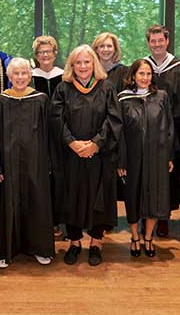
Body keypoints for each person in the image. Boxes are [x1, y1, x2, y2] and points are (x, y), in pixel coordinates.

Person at [51, 44, 122, 266]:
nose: (83, 66)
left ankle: (96, 242)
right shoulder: (63, 88)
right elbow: (55, 119)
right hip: (71, 155)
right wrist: (71, 142)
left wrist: (96, 144)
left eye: (87, 62)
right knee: (72, 196)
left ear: (94, 63)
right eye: (78, 62)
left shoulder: (106, 88)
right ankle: (74, 242)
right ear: (72, 65)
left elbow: (113, 119)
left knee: (97, 197)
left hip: (98, 156)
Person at [0, 58, 54, 269]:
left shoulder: (41, 100)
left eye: (24, 73)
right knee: (9, 206)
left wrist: (50, 164)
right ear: (9, 77)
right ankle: (6, 251)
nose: (20, 78)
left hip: (37, 164)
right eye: (16, 74)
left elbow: (49, 134)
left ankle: (40, 249)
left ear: (30, 75)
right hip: (8, 165)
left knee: (37, 205)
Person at [117, 59, 174, 258]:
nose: (145, 78)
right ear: (133, 76)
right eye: (141, 73)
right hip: (132, 158)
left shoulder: (161, 96)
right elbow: (120, 132)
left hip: (157, 156)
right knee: (133, 197)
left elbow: (169, 128)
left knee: (154, 196)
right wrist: (121, 160)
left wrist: (168, 155)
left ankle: (148, 237)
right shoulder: (123, 99)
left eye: (148, 74)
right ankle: (135, 236)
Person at [144, 25, 180, 237]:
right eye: (153, 41)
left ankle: (164, 217)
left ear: (167, 41)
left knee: (169, 172)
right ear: (148, 43)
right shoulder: (143, 66)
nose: (157, 45)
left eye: (160, 40)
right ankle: (147, 213)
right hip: (148, 128)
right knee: (148, 172)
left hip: (174, 127)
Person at [30, 35, 64, 238]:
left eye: (48, 51)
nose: (45, 55)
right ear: (36, 56)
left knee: (60, 177)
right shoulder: (30, 77)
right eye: (41, 52)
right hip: (37, 134)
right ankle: (42, 219)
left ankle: (59, 218)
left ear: (55, 53)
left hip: (60, 134)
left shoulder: (64, 76)